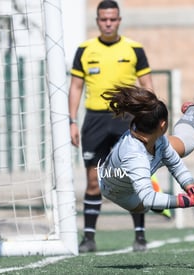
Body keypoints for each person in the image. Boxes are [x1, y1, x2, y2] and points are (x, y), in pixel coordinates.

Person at [68, 0, 159, 253]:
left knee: (134, 175)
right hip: (94, 121)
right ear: (97, 21)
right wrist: (72, 121)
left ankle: (140, 236)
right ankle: (88, 238)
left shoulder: (134, 49)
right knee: (93, 180)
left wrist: (149, 117)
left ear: (119, 20)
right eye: (103, 19)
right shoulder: (85, 50)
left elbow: (147, 84)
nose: (108, 23)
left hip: (127, 121)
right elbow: (76, 87)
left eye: (113, 19)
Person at [98, 85, 194, 221]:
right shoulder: (135, 157)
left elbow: (175, 164)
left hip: (139, 167)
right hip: (120, 193)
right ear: (163, 125)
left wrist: (193, 191)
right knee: (145, 206)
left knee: (188, 144)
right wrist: (190, 201)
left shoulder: (154, 137)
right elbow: (149, 199)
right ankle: (156, 197)